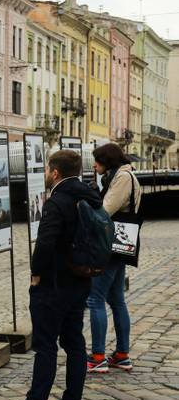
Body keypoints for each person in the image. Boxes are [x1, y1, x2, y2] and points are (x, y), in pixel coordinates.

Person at [0, 150, 103, 400]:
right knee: (75, 342)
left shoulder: (56, 202)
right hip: (81, 279)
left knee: (45, 345)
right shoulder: (89, 195)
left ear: (55, 172)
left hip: (55, 283)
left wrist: (36, 274)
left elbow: (45, 243)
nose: (46, 173)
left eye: (47, 169)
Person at [87, 143, 142, 373]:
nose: (94, 165)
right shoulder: (119, 176)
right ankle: (121, 354)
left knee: (95, 299)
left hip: (110, 244)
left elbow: (105, 211)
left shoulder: (122, 178)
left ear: (108, 161)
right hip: (120, 244)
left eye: (98, 161)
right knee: (116, 299)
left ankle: (98, 356)